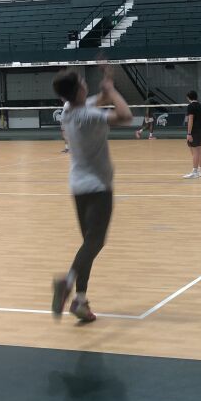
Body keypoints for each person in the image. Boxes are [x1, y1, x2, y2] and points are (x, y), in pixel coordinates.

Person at [51, 69, 132, 323]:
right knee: (95, 243)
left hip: (77, 186)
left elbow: (97, 100)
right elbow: (125, 116)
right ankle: (68, 282)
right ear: (78, 91)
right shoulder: (89, 116)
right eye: (82, 82)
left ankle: (81, 302)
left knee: (88, 244)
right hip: (98, 186)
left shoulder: (69, 109)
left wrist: (104, 90)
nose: (86, 83)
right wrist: (114, 91)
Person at [184, 90, 201, 179]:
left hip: (193, 131)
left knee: (195, 152)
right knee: (199, 150)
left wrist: (189, 133)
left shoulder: (190, 106)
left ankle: (194, 172)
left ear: (189, 97)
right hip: (199, 130)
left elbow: (191, 120)